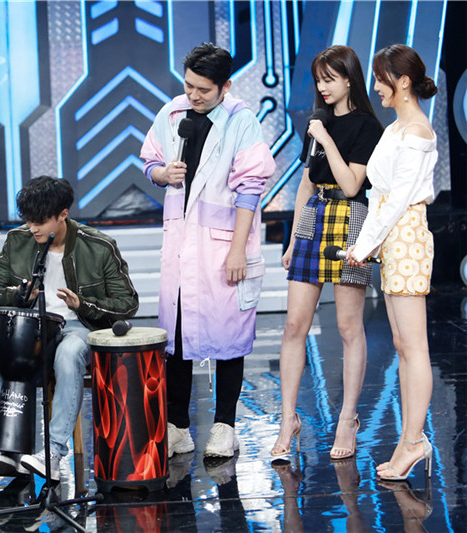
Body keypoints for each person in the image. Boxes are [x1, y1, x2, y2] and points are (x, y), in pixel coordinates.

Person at [140, 43, 275, 459]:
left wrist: (237, 251)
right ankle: (178, 427)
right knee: (177, 339)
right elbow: (149, 162)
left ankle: (224, 427)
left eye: (203, 89)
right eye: (189, 86)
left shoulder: (242, 121)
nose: (193, 96)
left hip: (223, 245)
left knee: (229, 336)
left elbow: (251, 189)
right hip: (182, 245)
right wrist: (162, 173)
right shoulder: (172, 113)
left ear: (225, 86)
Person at [0, 176, 138, 481]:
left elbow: (127, 303)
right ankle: (12, 448)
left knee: (69, 353)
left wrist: (83, 304)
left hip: (77, 326)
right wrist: (18, 296)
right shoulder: (17, 240)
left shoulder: (98, 246)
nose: (32, 228)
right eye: (28, 220)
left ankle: (53, 453)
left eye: (40, 221)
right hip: (28, 329)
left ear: (63, 214)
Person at [270, 46, 384, 461]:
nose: (322, 86)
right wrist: (293, 239)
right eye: (318, 79)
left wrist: (326, 139)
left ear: (349, 79)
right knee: (294, 325)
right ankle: (288, 420)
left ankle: (347, 419)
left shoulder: (367, 126)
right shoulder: (317, 123)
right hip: (314, 216)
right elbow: (306, 182)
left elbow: (352, 185)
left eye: (329, 79)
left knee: (348, 326)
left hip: (351, 218)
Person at [346, 44, 438, 481]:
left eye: (382, 79)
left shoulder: (417, 131)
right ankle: (409, 440)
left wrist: (363, 246)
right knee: (403, 345)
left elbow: (398, 199)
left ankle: (414, 442)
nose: (376, 87)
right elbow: (381, 195)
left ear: (402, 81)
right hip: (392, 237)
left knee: (413, 346)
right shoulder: (398, 128)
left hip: (406, 235)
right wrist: (368, 243)